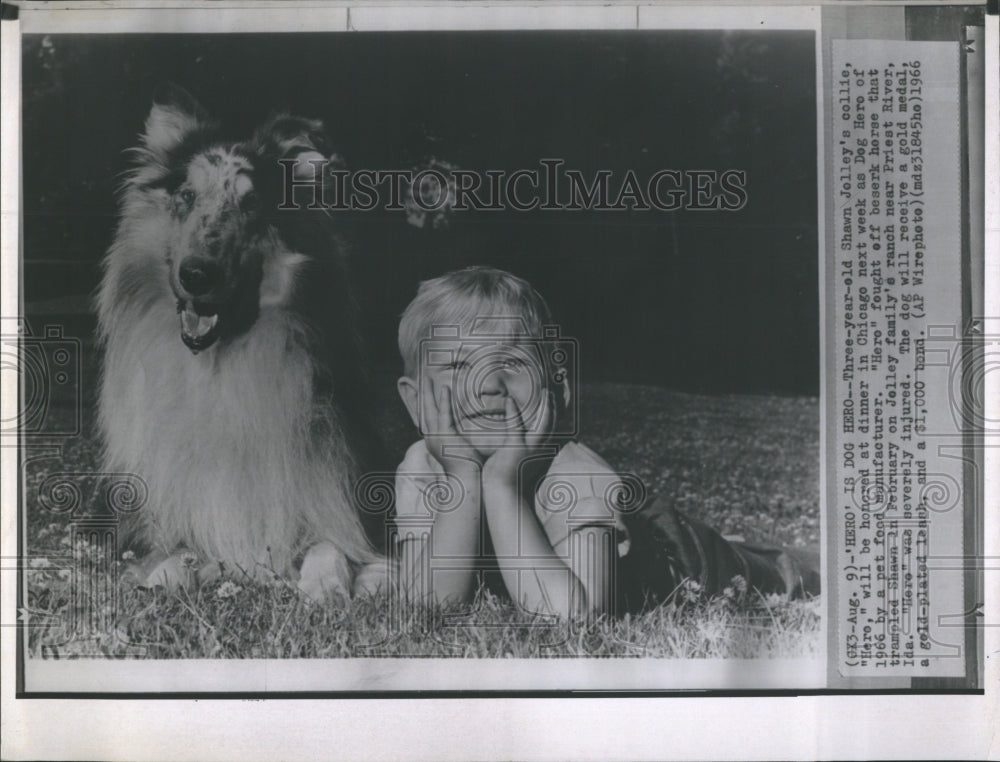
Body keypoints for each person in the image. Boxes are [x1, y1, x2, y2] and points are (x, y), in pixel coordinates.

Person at [393, 266, 819, 619]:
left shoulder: (576, 474)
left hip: (681, 554)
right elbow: (427, 606)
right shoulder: (422, 466)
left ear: (557, 393)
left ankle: (809, 558)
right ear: (414, 402)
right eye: (456, 364)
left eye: (509, 361)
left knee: (780, 571)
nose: (486, 385)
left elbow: (570, 618)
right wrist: (466, 479)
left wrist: (503, 485)